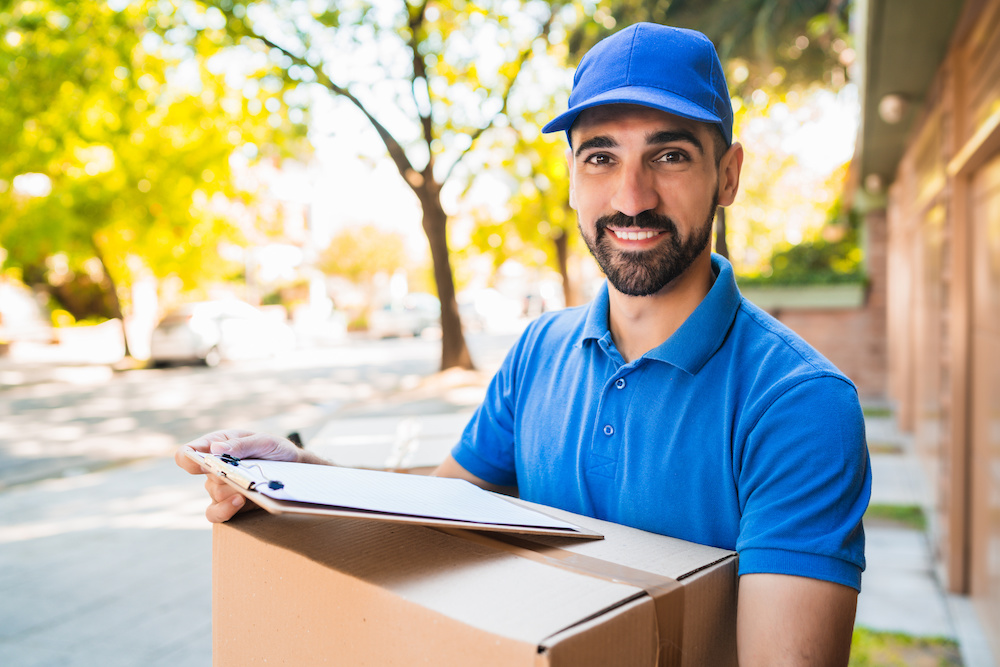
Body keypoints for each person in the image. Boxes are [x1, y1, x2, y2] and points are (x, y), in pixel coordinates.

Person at [177, 22, 870, 666]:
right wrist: (304, 476)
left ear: (728, 175)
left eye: (670, 154)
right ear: (572, 175)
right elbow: (439, 513)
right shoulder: (539, 350)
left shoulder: (799, 406)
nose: (632, 196)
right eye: (601, 156)